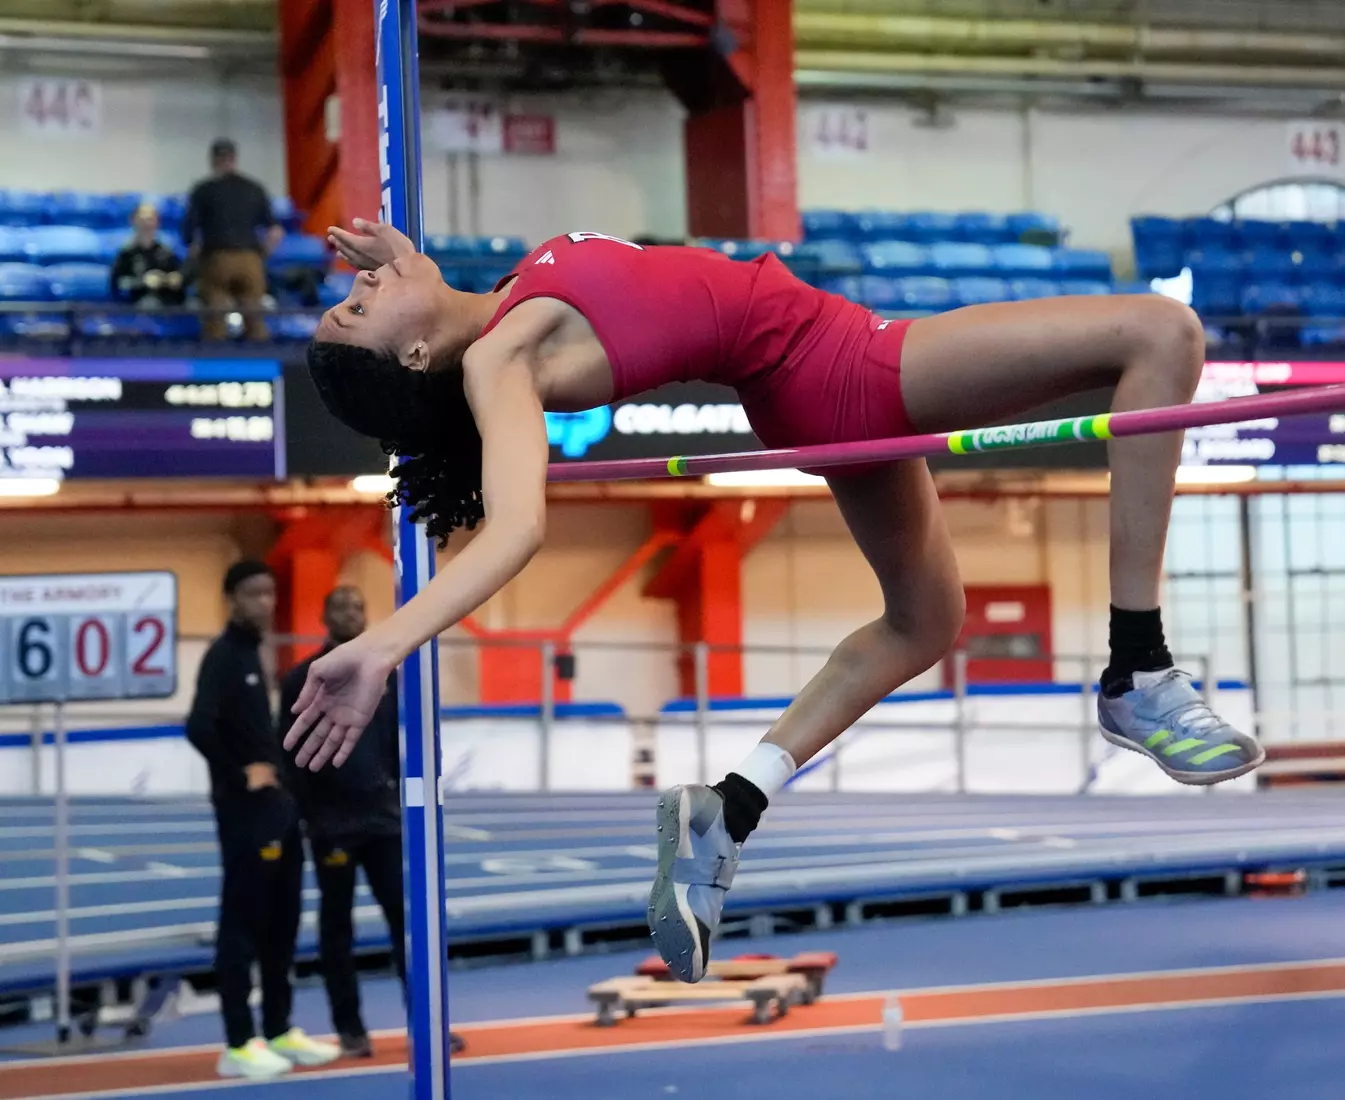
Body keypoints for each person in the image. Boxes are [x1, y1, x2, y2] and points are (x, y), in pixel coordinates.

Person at [284, 219, 1265, 986]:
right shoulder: (500, 361)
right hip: (840, 364)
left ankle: (729, 808)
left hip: (808, 378)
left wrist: (400, 259)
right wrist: (384, 644)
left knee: (923, 621)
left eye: (350, 294)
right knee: (1158, 331)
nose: (358, 288)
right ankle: (1137, 663)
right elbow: (512, 527)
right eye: (356, 312)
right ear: (414, 360)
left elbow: (428, 301)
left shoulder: (496, 309)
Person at [279, 586, 465, 1058]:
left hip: (381, 822)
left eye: (357, 606)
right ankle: (350, 1028)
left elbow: (388, 744)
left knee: (406, 923)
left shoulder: (384, 678)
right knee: (337, 929)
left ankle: (426, 1025)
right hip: (332, 828)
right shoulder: (302, 678)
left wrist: (395, 797)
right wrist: (311, 816)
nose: (348, 613)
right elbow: (289, 755)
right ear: (323, 614)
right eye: (339, 606)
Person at [185, 560, 339, 1077]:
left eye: (271, 593)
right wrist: (239, 773)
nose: (266, 604)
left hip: (277, 811)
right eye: (254, 594)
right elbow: (199, 726)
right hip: (244, 814)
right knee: (243, 926)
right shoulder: (224, 656)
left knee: (282, 923)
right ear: (232, 598)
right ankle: (237, 1042)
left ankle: (277, 1028)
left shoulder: (255, 654)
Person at [183, 138, 283, 342]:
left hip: (216, 258)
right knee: (254, 317)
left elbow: (188, 233)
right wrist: (263, 253)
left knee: (216, 319)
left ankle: (216, 369)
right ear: (234, 158)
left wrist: (194, 252)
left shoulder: (204, 189)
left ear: (213, 160)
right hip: (250, 258)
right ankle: (261, 367)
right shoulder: (254, 188)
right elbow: (275, 230)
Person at [109, 203, 186, 307]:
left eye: (150, 219)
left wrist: (175, 279)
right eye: (142, 220)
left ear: (157, 222)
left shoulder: (166, 252)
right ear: (133, 222)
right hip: (139, 302)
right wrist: (143, 282)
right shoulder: (126, 253)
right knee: (150, 304)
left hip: (168, 300)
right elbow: (118, 284)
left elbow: (180, 275)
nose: (147, 224)